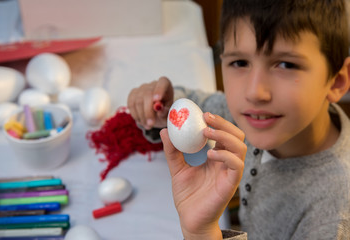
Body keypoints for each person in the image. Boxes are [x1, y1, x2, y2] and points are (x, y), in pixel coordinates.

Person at [127, 0, 350, 239]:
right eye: (240, 62)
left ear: (336, 82)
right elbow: (198, 107)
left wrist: (202, 233)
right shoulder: (253, 117)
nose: (254, 92)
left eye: (286, 64)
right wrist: (163, 106)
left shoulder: (333, 218)